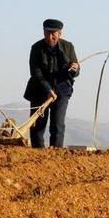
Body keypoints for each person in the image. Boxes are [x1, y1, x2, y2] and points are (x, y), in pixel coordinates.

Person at [23, 19, 79, 148]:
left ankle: (56, 155)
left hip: (62, 90)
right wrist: (48, 89)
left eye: (53, 33)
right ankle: (37, 155)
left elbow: (75, 70)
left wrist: (75, 69)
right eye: (47, 33)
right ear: (43, 32)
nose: (50, 37)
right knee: (38, 124)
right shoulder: (36, 48)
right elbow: (36, 73)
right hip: (39, 90)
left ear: (60, 34)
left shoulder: (68, 47)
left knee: (57, 124)